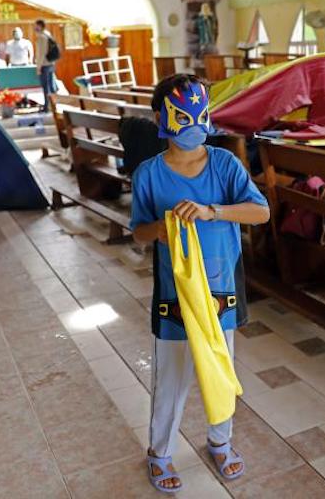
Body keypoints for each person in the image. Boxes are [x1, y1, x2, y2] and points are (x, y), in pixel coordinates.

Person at [130, 73, 270, 493]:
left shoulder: (225, 164)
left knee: (219, 371)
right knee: (171, 379)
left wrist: (213, 211)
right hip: (175, 295)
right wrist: (159, 229)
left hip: (221, 290)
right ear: (161, 117)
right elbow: (137, 231)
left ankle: (220, 442)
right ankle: (160, 452)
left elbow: (259, 213)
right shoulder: (148, 175)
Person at [34, 19, 58, 112]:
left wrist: (38, 67)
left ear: (40, 26)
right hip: (51, 63)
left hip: (44, 65)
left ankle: (47, 107)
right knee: (51, 86)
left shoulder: (42, 37)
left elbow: (41, 53)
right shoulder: (48, 35)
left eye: (36, 26)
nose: (35, 28)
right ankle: (52, 106)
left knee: (46, 87)